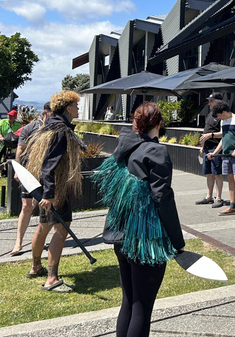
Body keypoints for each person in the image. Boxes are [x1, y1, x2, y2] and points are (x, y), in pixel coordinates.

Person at [95, 102, 186, 337]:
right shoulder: (156, 151)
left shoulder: (125, 148)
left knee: (129, 301)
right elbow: (162, 197)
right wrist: (177, 240)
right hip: (144, 239)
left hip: (121, 235)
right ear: (158, 123)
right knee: (142, 308)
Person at [25, 90, 83, 292]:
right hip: (54, 189)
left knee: (43, 226)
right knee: (62, 228)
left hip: (45, 187)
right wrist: (49, 195)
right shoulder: (61, 131)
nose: (78, 108)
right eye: (76, 106)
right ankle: (51, 278)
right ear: (68, 108)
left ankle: (35, 267)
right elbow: (49, 165)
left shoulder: (47, 127)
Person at [10, 103, 52, 256]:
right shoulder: (31, 128)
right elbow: (20, 149)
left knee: (44, 207)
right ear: (46, 113)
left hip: (47, 173)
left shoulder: (55, 128)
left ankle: (40, 239)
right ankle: (18, 243)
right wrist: (18, 170)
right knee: (26, 206)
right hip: (30, 172)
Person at [207, 101, 235, 219]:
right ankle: (232, 206)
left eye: (219, 115)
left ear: (225, 112)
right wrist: (215, 153)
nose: (219, 118)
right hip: (226, 155)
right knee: (230, 179)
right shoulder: (223, 121)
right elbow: (224, 138)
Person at [197, 93, 225, 208]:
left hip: (216, 148)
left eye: (211, 101)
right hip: (207, 148)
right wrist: (202, 145)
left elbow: (224, 134)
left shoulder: (222, 115)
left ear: (218, 101)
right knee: (208, 173)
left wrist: (210, 135)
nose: (209, 103)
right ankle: (209, 196)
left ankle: (218, 197)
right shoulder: (209, 114)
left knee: (217, 173)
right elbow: (205, 131)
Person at [0, 110, 23, 178]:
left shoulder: (18, 125)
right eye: (8, 115)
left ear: (15, 117)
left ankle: (5, 173)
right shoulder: (2, 122)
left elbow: (19, 134)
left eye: (11, 116)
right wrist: (1, 138)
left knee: (7, 160)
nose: (9, 117)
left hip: (10, 146)